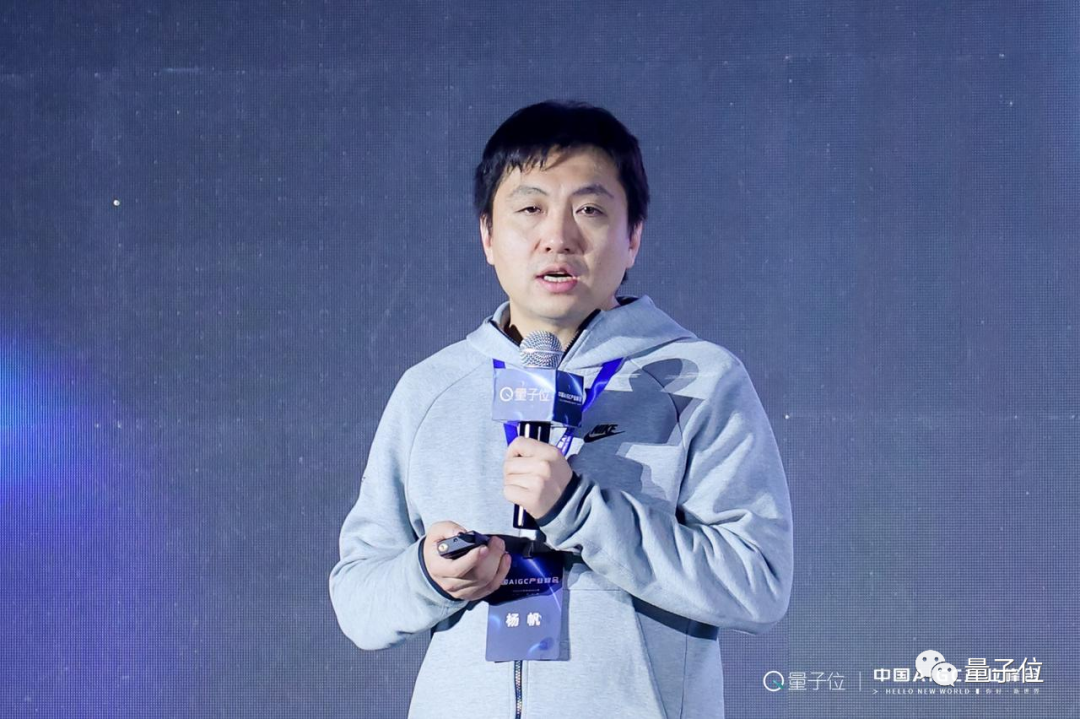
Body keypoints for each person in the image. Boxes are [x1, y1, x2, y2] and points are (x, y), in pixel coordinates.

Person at [329, 100, 793, 719]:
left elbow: (756, 584)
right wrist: (427, 575)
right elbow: (358, 602)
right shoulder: (430, 388)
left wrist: (580, 509)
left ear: (633, 236)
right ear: (488, 236)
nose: (559, 237)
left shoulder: (700, 381)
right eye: (530, 209)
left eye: (590, 210)